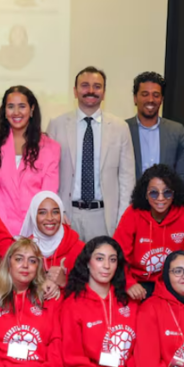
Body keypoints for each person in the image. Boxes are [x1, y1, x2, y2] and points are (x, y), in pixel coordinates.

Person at [59, 237, 142, 367]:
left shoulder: (130, 302)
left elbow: (140, 351)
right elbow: (74, 359)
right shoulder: (72, 305)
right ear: (87, 263)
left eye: (112, 260)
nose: (106, 266)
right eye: (100, 258)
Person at [47, 66, 136, 241]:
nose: (91, 91)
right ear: (75, 91)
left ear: (104, 93)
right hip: (67, 215)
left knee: (102, 267)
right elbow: (50, 175)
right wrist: (57, 211)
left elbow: (127, 178)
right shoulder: (56, 126)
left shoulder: (120, 128)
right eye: (85, 85)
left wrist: (122, 219)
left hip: (104, 216)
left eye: (97, 86)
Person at [0, 238, 65, 367]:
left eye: (32, 261)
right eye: (19, 259)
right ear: (8, 263)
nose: (25, 265)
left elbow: (57, 348)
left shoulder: (51, 299)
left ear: (38, 267)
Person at [0, 86, 61, 235]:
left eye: (22, 106)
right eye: (11, 107)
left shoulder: (51, 147)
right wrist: (3, 231)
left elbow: (47, 195)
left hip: (37, 230)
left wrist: (31, 230)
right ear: (4, 111)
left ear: (31, 110)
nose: (16, 112)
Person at [112, 164, 184, 299]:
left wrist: (179, 283)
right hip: (138, 281)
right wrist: (128, 283)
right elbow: (118, 255)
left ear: (174, 194)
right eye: (154, 192)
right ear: (145, 194)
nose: (160, 198)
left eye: (167, 192)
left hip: (172, 281)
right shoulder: (132, 214)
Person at [126, 72, 184, 183]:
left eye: (156, 95)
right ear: (135, 98)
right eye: (145, 94)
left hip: (167, 199)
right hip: (130, 199)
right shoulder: (123, 130)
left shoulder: (177, 131)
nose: (150, 100)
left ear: (162, 99)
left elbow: (183, 176)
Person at [19, 191, 83, 288]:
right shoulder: (23, 249)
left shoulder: (79, 249)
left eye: (55, 212)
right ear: (33, 215)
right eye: (42, 212)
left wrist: (64, 283)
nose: (50, 218)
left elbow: (88, 292)